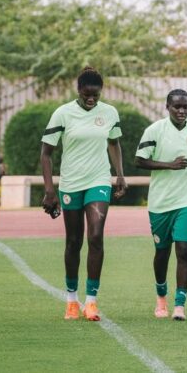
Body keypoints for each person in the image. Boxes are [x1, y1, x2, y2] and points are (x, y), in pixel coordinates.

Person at [41, 66, 127, 321]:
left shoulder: (109, 112)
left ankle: (91, 301)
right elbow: (46, 153)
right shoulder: (63, 113)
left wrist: (119, 174)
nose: (91, 99)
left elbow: (114, 143)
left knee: (96, 236)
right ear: (78, 90)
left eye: (96, 95)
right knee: (74, 241)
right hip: (71, 184)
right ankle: (71, 300)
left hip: (99, 180)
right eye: (87, 94)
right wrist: (49, 190)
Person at [135, 89, 187, 321]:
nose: (182, 111)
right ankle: (161, 298)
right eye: (177, 106)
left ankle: (180, 305)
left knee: (184, 250)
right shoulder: (155, 130)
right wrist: (169, 165)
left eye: (186, 107)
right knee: (162, 252)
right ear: (168, 107)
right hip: (160, 202)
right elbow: (139, 160)